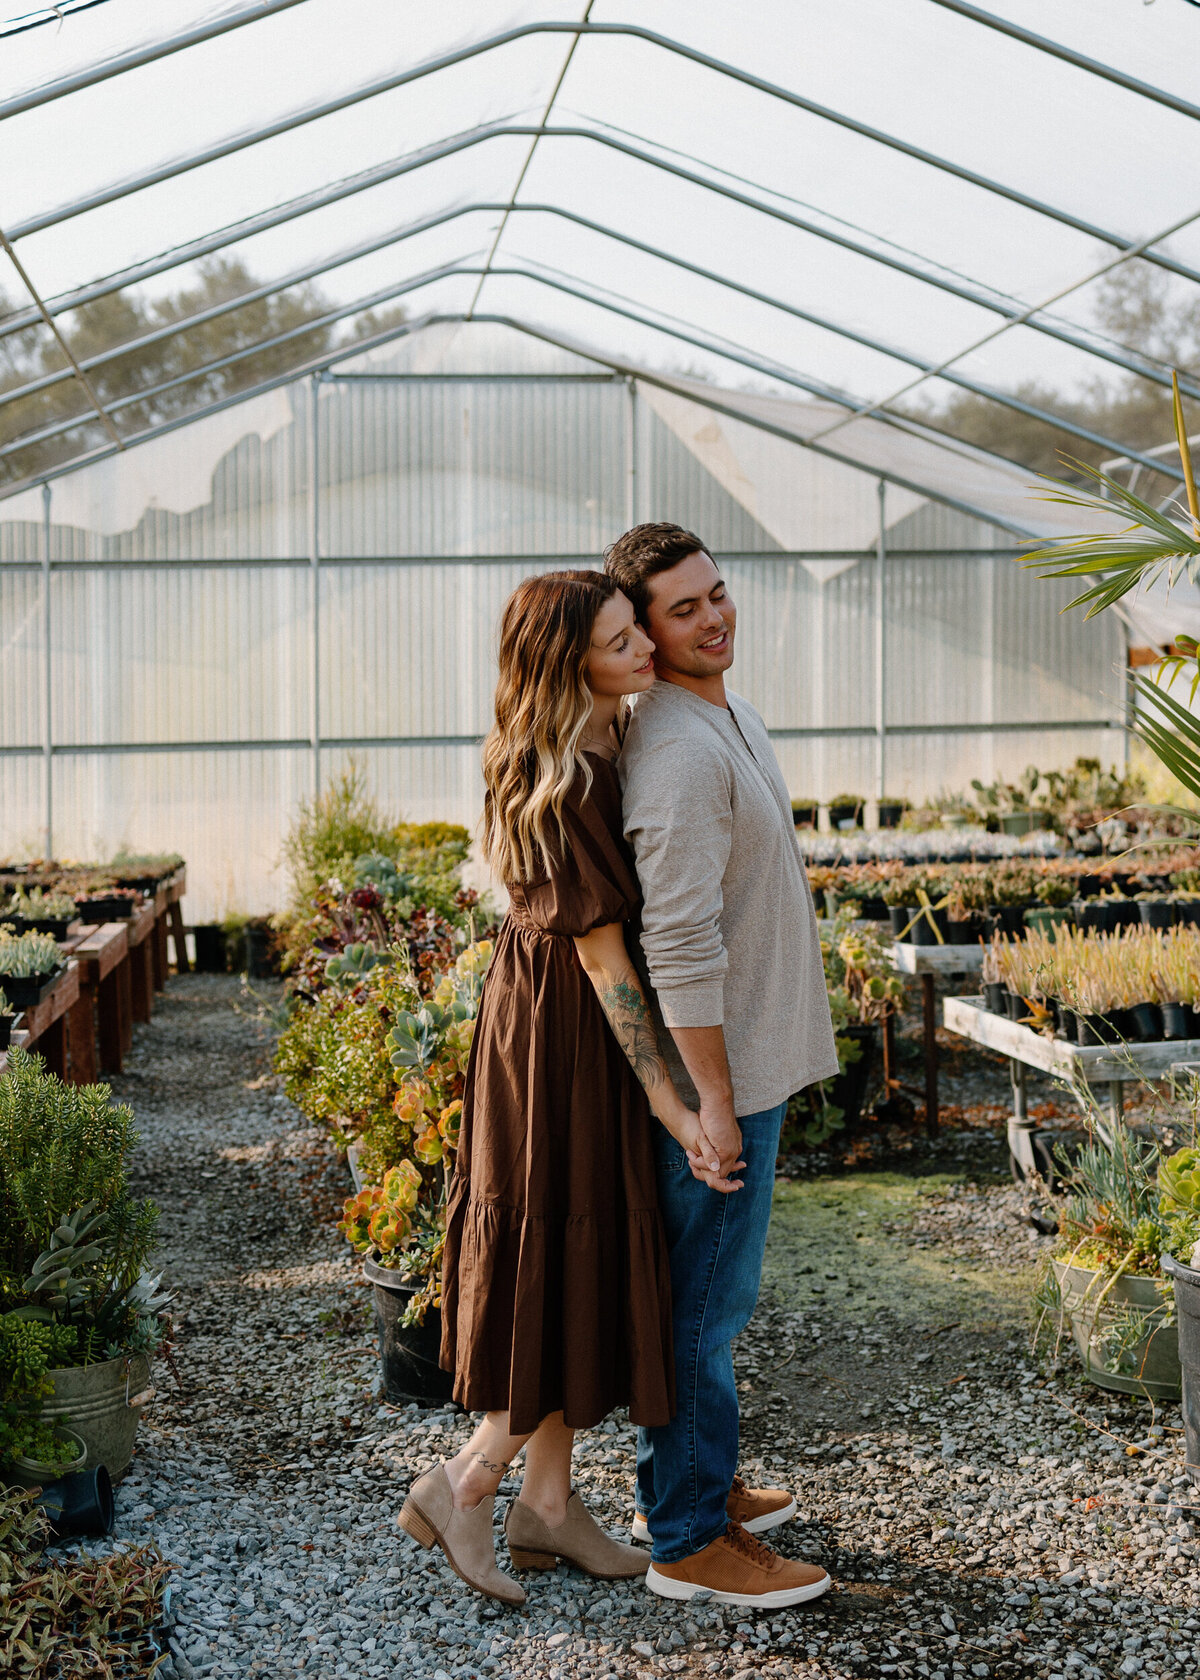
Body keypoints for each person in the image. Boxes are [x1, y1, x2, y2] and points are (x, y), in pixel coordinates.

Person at [399, 569, 738, 1606]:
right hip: (563, 1035)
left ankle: (549, 1506)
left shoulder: (594, 744)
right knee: (558, 1241)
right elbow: (604, 964)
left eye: (641, 628)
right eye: (620, 639)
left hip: (551, 1021)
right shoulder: (570, 775)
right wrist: (674, 1103)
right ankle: (466, 1483)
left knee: (573, 1244)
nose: (646, 648)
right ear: (567, 663)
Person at [605, 523, 839, 1609]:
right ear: (645, 636)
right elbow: (680, 940)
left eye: (719, 594)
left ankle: (700, 1482)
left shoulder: (726, 712)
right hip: (722, 1081)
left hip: (753, 1064)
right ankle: (688, 1539)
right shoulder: (677, 753)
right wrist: (708, 1102)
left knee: (717, 1296)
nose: (715, 618)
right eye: (685, 609)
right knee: (705, 1304)